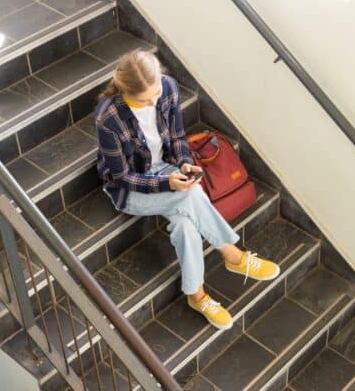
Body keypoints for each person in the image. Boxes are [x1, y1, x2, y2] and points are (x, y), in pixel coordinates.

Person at [94, 49, 280, 330]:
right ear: (127, 92)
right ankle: (232, 254)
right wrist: (165, 183)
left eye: (156, 93)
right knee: (191, 195)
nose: (154, 101)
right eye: (145, 100)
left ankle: (197, 296)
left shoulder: (167, 87)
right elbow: (121, 176)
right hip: (131, 189)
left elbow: (179, 136)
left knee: (185, 225)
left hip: (166, 169)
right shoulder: (109, 117)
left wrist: (183, 163)